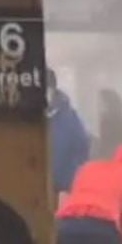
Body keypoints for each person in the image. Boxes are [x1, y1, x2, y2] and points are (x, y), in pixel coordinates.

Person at [47, 69, 90, 203]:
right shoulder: (29, 118)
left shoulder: (69, 117)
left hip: (63, 191)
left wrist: (70, 183)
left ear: (52, 89)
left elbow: (82, 149)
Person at [93, 89, 122, 159]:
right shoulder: (121, 121)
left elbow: (108, 148)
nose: (98, 107)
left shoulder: (110, 123)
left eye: (100, 103)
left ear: (108, 104)